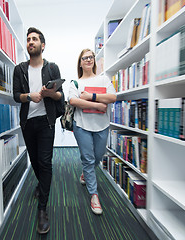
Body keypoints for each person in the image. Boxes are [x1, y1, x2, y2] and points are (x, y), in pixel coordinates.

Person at [13, 27, 64, 234]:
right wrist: (29, 96)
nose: (30, 42)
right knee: (34, 161)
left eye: (34, 39)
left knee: (45, 162)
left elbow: (60, 96)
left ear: (42, 45)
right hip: (27, 122)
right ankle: (42, 185)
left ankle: (42, 209)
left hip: (46, 121)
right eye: (28, 40)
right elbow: (16, 95)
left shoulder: (52, 68)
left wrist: (50, 94)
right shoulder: (19, 69)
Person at [69, 48, 117, 215]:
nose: (88, 60)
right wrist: (98, 105)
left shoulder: (104, 79)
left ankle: (85, 175)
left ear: (94, 61)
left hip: (101, 126)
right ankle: (94, 195)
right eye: (84, 58)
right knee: (88, 160)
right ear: (80, 63)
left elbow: (112, 97)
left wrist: (90, 97)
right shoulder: (75, 83)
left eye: (91, 57)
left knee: (98, 156)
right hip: (81, 126)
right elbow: (73, 100)